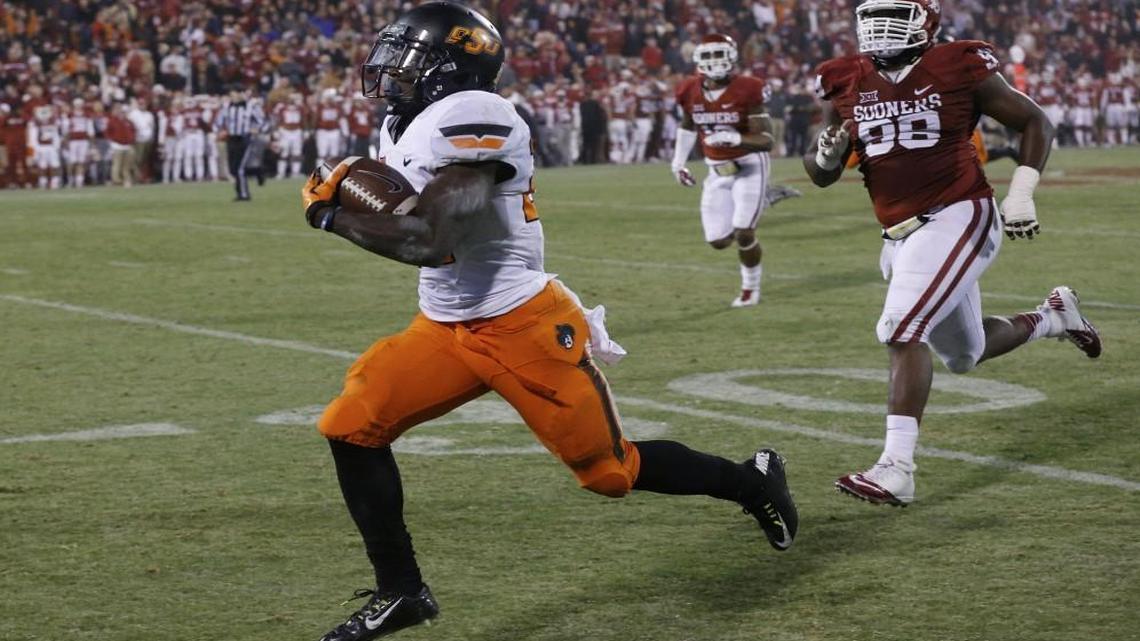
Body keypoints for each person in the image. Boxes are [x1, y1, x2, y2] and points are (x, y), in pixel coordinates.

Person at [300, 4, 798, 640]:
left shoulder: (475, 115)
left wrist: (330, 215)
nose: (391, 69)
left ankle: (749, 482)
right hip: (447, 326)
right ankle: (403, 591)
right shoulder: (408, 120)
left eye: (409, 57)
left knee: (610, 473)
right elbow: (412, 217)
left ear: (450, 64)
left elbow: (427, 239)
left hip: (521, 325)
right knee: (352, 425)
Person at [804, 0, 1102, 507]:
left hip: (958, 214)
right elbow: (820, 171)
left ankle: (896, 468)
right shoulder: (843, 77)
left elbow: (1035, 122)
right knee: (966, 354)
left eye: (894, 16)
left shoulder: (957, 63)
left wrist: (1021, 192)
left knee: (901, 327)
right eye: (872, 16)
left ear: (925, 21)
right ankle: (1055, 317)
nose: (879, 28)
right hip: (898, 233)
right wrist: (825, 156)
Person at [670, 34, 775, 307]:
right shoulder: (688, 90)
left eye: (720, 55)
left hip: (750, 165)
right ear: (698, 61)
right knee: (718, 240)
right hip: (717, 170)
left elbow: (767, 139)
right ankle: (762, 201)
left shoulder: (749, 87)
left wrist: (736, 139)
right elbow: (687, 125)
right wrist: (678, 161)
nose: (716, 63)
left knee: (744, 231)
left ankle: (750, 289)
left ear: (732, 56)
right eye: (710, 57)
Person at [217, 88, 265, 201]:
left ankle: (243, 195)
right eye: (231, 95)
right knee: (233, 169)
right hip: (231, 139)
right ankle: (257, 171)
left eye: (235, 95)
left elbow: (262, 121)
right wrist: (221, 130)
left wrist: (255, 129)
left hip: (245, 139)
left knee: (239, 169)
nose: (233, 98)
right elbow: (218, 121)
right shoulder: (226, 106)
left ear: (241, 94)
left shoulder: (251, 106)